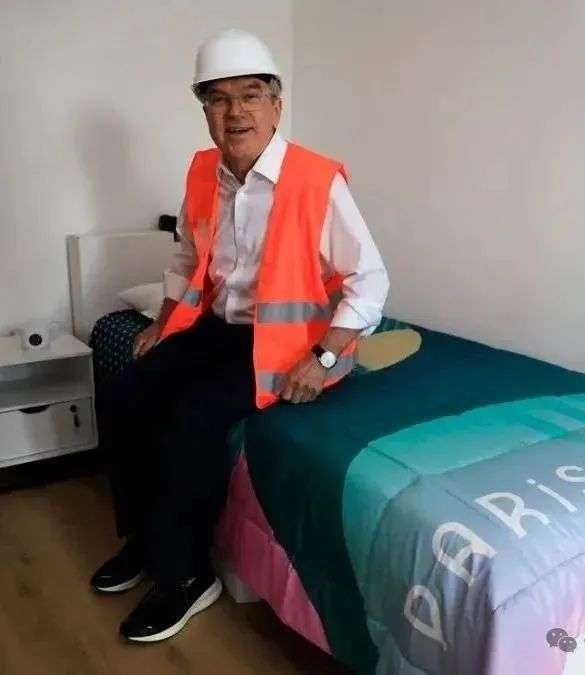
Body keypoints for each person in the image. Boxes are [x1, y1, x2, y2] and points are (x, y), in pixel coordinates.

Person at [90, 28, 389, 643]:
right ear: (203, 110)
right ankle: (144, 542)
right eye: (218, 98)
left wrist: (323, 357)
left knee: (191, 420)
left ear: (277, 104)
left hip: (287, 344)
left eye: (250, 95)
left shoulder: (316, 180)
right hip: (217, 328)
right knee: (128, 393)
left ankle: (186, 577)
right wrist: (163, 320)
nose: (235, 112)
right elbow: (186, 255)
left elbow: (371, 279)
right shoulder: (204, 172)